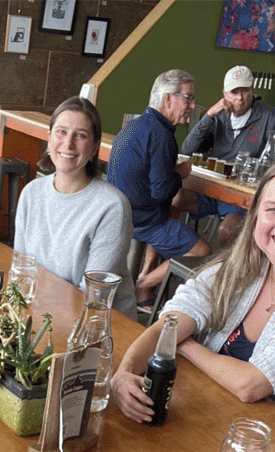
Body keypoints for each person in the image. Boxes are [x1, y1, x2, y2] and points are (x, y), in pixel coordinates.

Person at [112, 151, 275, 425]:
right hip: (212, 418)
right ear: (255, 216)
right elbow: (171, 323)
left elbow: (252, 383)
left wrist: (185, 346)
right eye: (273, 208)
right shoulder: (241, 267)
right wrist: (123, 374)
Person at [13, 96, 136, 318]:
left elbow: (90, 296)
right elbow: (22, 271)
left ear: (94, 147)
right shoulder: (31, 193)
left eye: (80, 135)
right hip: (43, 315)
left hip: (96, 326)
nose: (68, 144)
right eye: (61, 132)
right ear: (49, 138)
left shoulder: (112, 206)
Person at [107, 69, 211, 304]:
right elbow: (161, 191)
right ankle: (144, 283)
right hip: (140, 220)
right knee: (203, 252)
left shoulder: (134, 126)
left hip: (119, 212)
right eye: (188, 98)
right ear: (167, 99)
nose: (193, 106)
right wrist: (181, 174)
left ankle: (145, 277)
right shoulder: (163, 136)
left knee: (171, 210)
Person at [179, 65, 275, 246]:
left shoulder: (269, 116)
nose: (240, 97)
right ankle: (183, 254)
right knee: (170, 198)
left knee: (227, 230)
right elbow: (187, 149)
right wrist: (210, 115)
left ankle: (227, 270)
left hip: (240, 197)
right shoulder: (218, 117)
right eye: (234, 91)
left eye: (245, 90)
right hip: (211, 189)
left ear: (252, 90)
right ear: (224, 93)